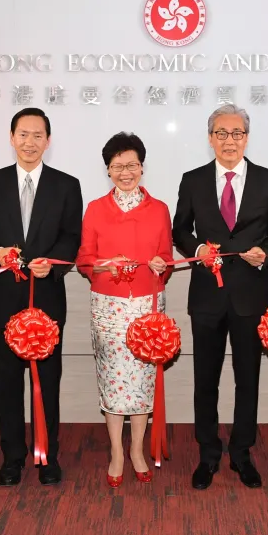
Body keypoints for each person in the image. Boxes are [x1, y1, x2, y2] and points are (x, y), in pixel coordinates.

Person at [172, 103, 268, 490]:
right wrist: (197, 250)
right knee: (205, 379)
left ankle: (242, 453)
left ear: (247, 138)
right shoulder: (192, 179)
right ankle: (208, 454)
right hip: (207, 295)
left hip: (250, 296)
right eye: (221, 133)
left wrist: (265, 256)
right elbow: (180, 231)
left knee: (248, 379)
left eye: (237, 133)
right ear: (210, 138)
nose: (229, 140)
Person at [0, 107, 83, 487]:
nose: (30, 142)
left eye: (38, 135)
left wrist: (52, 264)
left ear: (48, 141)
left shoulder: (67, 185)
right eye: (23, 134)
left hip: (47, 298)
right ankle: (12, 457)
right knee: (7, 382)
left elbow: (72, 238)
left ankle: (47, 455)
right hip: (4, 299)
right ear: (11, 137)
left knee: (47, 381)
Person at [75, 132, 173, 487]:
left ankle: (137, 449)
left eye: (131, 165)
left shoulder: (160, 209)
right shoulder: (96, 209)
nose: (125, 172)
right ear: (108, 170)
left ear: (142, 167)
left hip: (147, 306)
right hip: (108, 307)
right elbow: (84, 260)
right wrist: (104, 264)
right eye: (117, 166)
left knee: (143, 383)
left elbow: (168, 259)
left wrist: (163, 264)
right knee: (114, 383)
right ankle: (116, 450)